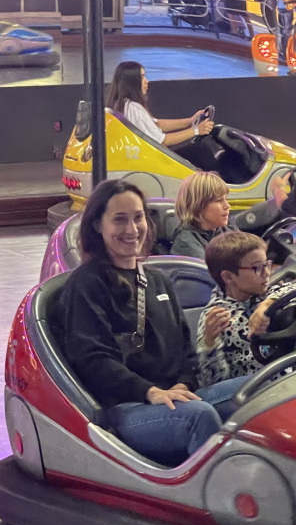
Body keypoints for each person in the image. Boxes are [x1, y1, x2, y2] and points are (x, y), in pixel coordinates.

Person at [60, 179, 248, 467]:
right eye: (119, 219)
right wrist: (151, 392)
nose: (132, 229)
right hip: (127, 408)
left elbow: (184, 350)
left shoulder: (158, 280)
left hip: (173, 396)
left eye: (138, 218)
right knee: (199, 416)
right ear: (98, 225)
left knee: (266, 390)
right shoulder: (87, 284)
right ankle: (219, 492)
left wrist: (184, 383)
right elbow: (94, 361)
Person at [196, 232, 294, 386]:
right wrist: (209, 343)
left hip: (290, 378)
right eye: (257, 268)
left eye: (266, 264)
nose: (267, 273)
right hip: (252, 388)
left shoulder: (267, 293)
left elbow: (295, 290)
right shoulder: (215, 317)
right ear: (228, 277)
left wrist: (266, 305)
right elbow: (213, 382)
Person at [106, 61, 213, 148]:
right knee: (201, 151)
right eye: (142, 77)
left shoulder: (124, 104)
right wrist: (196, 130)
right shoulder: (134, 109)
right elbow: (162, 141)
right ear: (132, 82)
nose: (146, 81)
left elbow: (156, 124)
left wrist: (190, 121)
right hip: (149, 160)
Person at [169, 172, 236, 259]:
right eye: (219, 200)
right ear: (198, 206)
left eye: (226, 199)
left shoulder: (228, 228)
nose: (227, 206)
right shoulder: (186, 243)